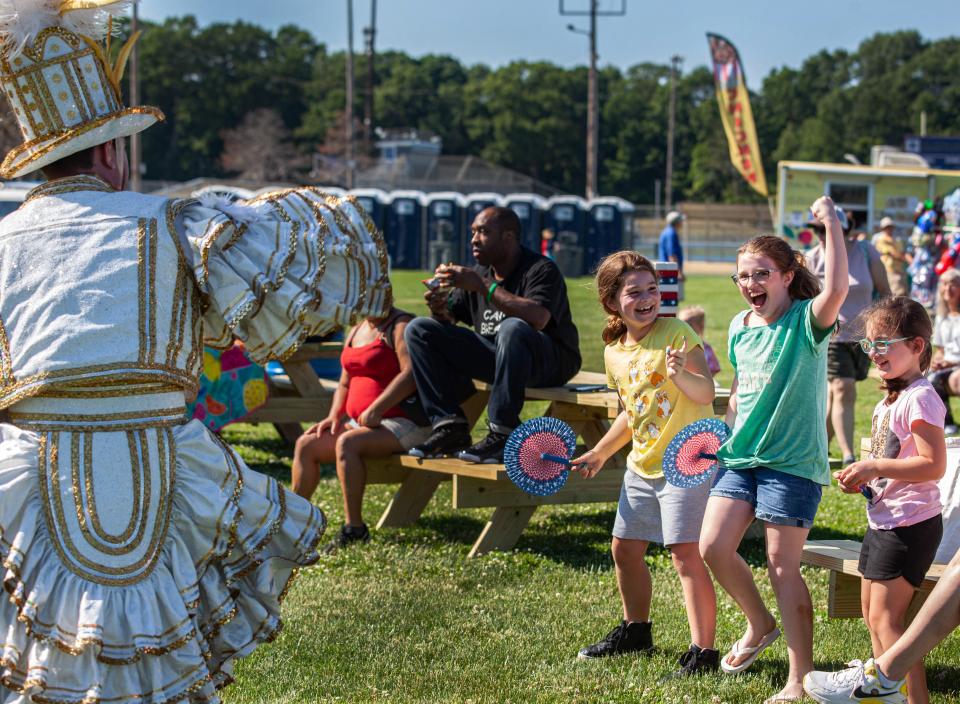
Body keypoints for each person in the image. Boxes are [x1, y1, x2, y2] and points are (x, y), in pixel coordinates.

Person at [0, 5, 391, 700]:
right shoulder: (176, 222)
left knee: (38, 668)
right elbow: (331, 252)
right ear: (111, 152)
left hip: (28, 475)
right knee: (159, 664)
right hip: (165, 467)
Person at [699, 197, 849, 704]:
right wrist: (723, 434)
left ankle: (799, 678)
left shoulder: (809, 321)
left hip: (791, 465)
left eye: (761, 274)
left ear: (787, 276)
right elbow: (742, 389)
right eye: (742, 277)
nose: (750, 285)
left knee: (782, 567)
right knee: (713, 547)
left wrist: (830, 224)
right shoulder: (741, 326)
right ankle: (760, 622)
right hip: (741, 457)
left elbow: (839, 287)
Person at [570, 252, 719, 679]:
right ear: (612, 301)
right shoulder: (614, 352)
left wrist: (679, 376)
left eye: (652, 289)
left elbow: (705, 392)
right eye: (634, 292)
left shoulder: (676, 332)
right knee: (625, 548)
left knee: (684, 554)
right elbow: (630, 412)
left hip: (688, 461)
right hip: (642, 465)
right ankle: (637, 630)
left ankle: (703, 652)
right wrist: (600, 451)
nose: (647, 298)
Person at [828, 296, 946, 704]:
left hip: (911, 524)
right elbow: (893, 459)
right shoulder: (891, 399)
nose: (874, 353)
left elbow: (932, 465)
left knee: (889, 621)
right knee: (872, 615)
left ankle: (914, 700)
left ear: (916, 346)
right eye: (869, 345)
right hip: (885, 519)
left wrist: (874, 466)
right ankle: (887, 695)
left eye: (884, 343)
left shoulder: (920, 398)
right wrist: (865, 480)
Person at [405, 207, 581, 463]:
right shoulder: (479, 273)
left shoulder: (540, 269)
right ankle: (448, 425)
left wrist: (482, 285)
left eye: (484, 232)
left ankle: (503, 431)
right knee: (420, 330)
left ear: (508, 237)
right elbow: (449, 321)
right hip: (499, 358)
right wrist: (439, 308)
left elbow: (538, 318)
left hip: (549, 361)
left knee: (512, 327)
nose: (474, 239)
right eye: (473, 232)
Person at [291, 307, 430, 551]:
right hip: (362, 424)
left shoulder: (400, 326)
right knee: (307, 444)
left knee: (349, 443)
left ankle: (354, 528)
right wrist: (334, 415)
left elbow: (411, 375)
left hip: (403, 423)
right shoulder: (357, 329)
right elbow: (345, 382)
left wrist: (378, 408)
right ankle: (292, 523)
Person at [803, 544, 960, 703]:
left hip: (904, 528)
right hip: (882, 525)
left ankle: (887, 682)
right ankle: (882, 691)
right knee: (873, 614)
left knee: (886, 620)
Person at [806, 207, 892, 465]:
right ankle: (848, 454)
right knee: (844, 388)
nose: (821, 234)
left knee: (835, 395)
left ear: (844, 230)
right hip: (831, 336)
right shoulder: (812, 258)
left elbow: (885, 291)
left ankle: (818, 447)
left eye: (826, 228)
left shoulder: (866, 252)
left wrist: (888, 325)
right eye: (817, 229)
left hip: (864, 337)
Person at [927, 268, 960, 435]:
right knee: (923, 377)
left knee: (955, 379)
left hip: (957, 366)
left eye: (954, 284)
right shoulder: (941, 317)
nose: (948, 288)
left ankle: (949, 424)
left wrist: (952, 362)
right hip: (946, 366)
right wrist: (937, 361)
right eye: (945, 284)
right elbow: (940, 350)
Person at [872, 217, 911, 296]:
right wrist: (905, 258)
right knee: (894, 294)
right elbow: (892, 253)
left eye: (890, 227)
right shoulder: (880, 240)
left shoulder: (897, 240)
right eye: (887, 227)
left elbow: (902, 253)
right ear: (882, 228)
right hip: (889, 270)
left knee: (903, 293)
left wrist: (908, 259)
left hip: (900, 270)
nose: (889, 229)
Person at [678, 305, 721, 377]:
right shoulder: (676, 346)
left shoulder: (705, 348)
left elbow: (714, 368)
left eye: (689, 326)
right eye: (681, 325)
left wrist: (705, 377)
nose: (684, 329)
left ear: (700, 327)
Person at [659, 210, 686, 300]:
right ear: (676, 222)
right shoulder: (672, 233)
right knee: (670, 300)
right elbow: (672, 254)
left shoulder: (666, 232)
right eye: (681, 221)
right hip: (669, 270)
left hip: (666, 269)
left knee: (668, 300)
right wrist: (678, 272)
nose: (682, 223)